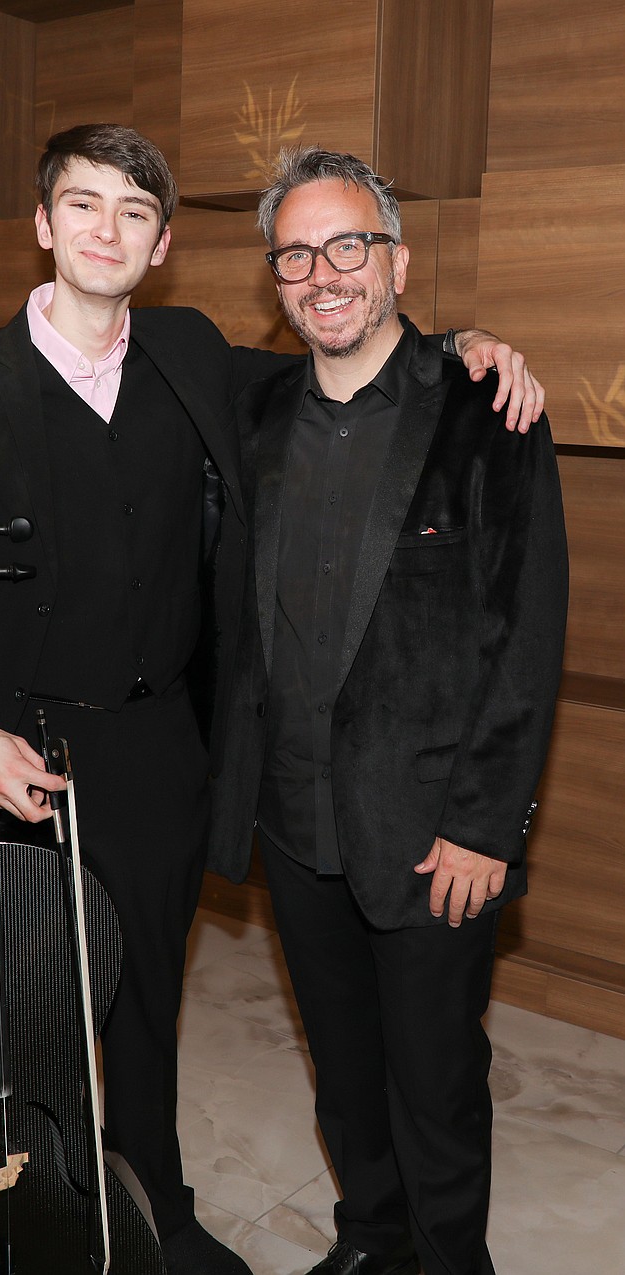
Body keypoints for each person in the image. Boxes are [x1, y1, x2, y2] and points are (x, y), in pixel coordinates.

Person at [0, 124, 545, 1275]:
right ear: (44, 223)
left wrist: (468, 346)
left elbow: (349, 359)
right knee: (16, 1018)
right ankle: (27, 1224)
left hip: (153, 751)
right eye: (82, 206)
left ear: (164, 243)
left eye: (133, 213)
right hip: (5, 748)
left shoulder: (188, 352)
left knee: (142, 1011)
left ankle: (155, 1216)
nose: (106, 231)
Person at [207, 147, 568, 1275]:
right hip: (296, 817)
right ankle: (368, 1241)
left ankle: (448, 1259)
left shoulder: (485, 408)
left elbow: (527, 636)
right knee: (345, 1071)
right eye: (297, 254)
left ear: (397, 262)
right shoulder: (249, 406)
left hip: (431, 834)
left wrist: (484, 822)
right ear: (275, 278)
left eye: (348, 246)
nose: (324, 273)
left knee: (436, 1084)